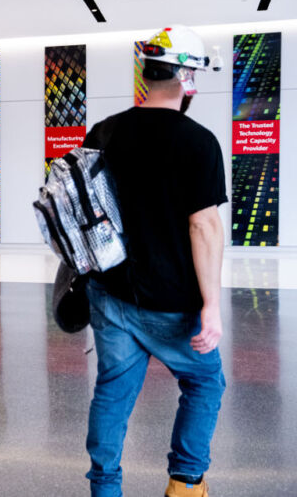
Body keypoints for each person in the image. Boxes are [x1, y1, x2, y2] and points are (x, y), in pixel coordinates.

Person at [81, 26, 226, 497]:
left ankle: (104, 488)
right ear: (188, 78)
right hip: (172, 300)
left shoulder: (103, 132)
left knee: (113, 391)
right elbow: (203, 227)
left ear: (146, 73)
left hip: (111, 291)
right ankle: (185, 484)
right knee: (205, 382)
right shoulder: (198, 141)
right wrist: (211, 305)